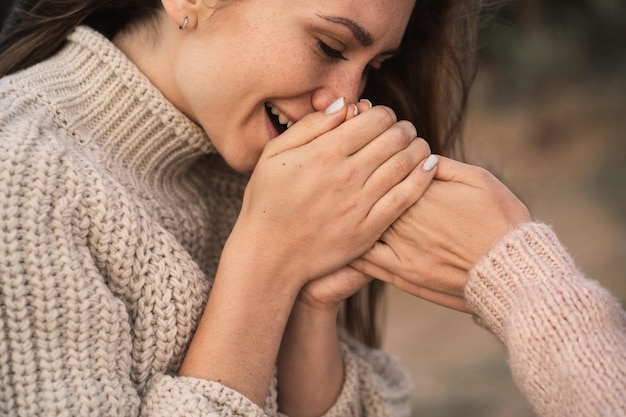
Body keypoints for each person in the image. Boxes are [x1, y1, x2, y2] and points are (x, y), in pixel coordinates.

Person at [0, 2, 624, 417]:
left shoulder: (264, 168)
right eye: (329, 47)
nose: (344, 103)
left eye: (373, 65)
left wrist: (308, 299)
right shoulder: (24, 176)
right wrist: (265, 263)